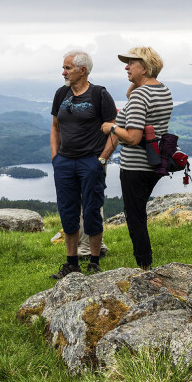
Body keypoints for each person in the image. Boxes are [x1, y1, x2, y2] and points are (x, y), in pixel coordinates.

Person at [101, 47, 173, 269]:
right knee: (138, 212)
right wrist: (137, 80)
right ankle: (145, 262)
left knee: (135, 217)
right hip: (154, 163)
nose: (126, 66)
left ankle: (144, 266)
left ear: (146, 67)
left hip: (135, 165)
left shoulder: (141, 95)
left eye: (132, 63)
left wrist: (111, 127)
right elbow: (130, 95)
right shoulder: (163, 90)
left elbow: (133, 137)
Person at [49, 50, 117, 278]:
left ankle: (95, 262)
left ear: (82, 70)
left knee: (91, 210)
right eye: (64, 67)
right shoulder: (61, 93)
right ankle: (71, 263)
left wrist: (102, 159)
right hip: (65, 163)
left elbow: (113, 131)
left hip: (91, 161)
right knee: (67, 211)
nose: (63, 72)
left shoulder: (99, 95)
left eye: (67, 68)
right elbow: (55, 127)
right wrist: (55, 157)